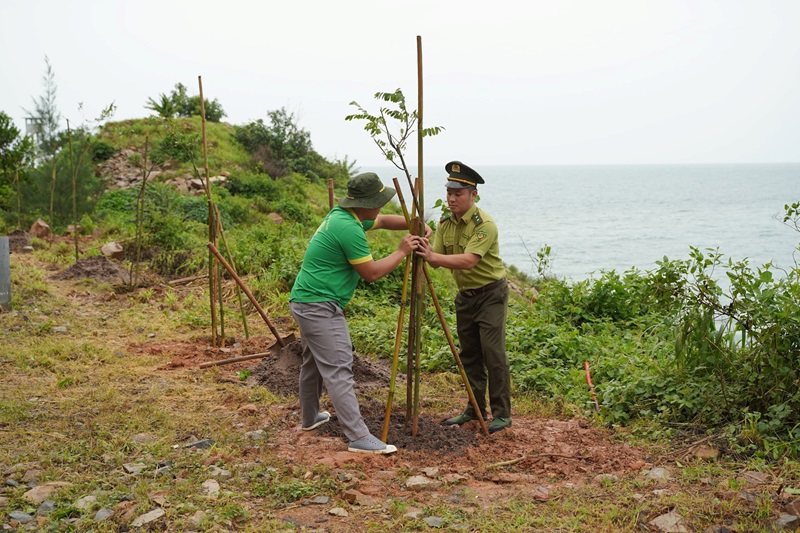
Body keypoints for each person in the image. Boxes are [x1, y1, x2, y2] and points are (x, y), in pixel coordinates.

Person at [289, 172, 425, 454]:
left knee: (313, 363)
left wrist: (415, 224)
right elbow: (372, 273)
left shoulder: (344, 216)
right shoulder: (348, 229)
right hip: (319, 305)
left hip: (305, 299)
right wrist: (402, 251)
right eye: (378, 202)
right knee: (339, 368)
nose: (380, 208)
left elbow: (386, 221)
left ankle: (310, 417)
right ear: (364, 203)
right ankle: (358, 437)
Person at [415, 161, 512, 434]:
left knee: (493, 354)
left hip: (491, 294)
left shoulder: (485, 225)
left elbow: (469, 260)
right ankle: (475, 409)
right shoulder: (446, 223)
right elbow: (433, 260)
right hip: (465, 297)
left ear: (473, 195)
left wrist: (433, 256)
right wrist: (422, 245)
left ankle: (502, 414)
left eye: (458, 193)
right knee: (469, 355)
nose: (452, 198)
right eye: (449, 192)